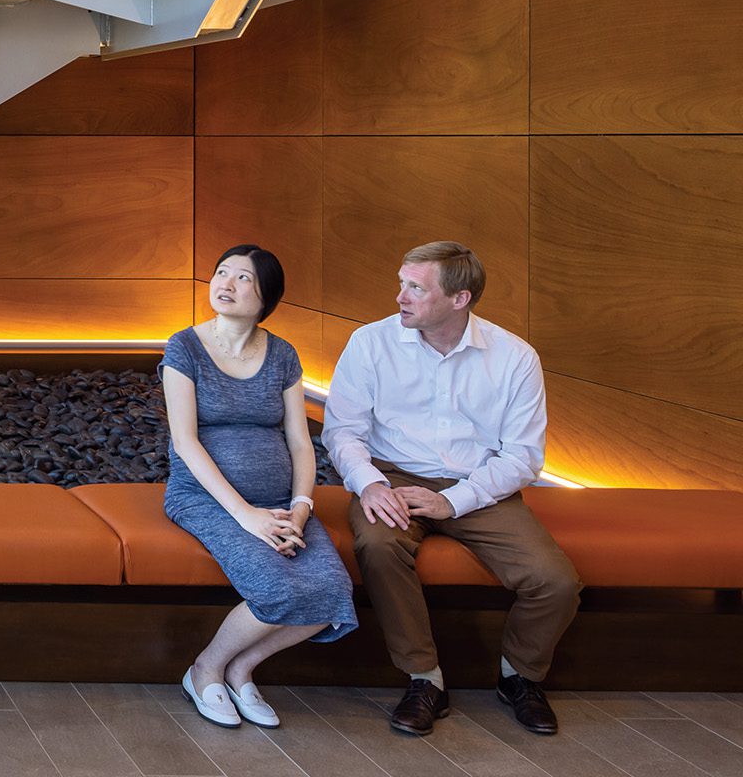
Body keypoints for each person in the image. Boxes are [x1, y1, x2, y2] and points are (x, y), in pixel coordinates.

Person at [323, 241, 579, 740]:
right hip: (392, 475)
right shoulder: (370, 343)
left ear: (459, 299)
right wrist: (371, 484)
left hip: (479, 487)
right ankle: (425, 679)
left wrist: (453, 500)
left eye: (415, 288)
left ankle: (518, 677)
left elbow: (522, 457)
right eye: (402, 283)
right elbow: (343, 431)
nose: (400, 296)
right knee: (377, 545)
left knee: (556, 580)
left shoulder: (514, 358)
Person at [161, 246, 356, 731]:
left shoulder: (283, 354)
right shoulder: (184, 348)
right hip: (206, 499)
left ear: (266, 294)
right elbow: (184, 440)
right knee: (276, 589)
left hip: (281, 505)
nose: (225, 283)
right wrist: (245, 513)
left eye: (243, 278)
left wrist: (301, 508)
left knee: (333, 593)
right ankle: (204, 669)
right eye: (221, 272)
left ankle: (242, 667)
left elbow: (300, 442)